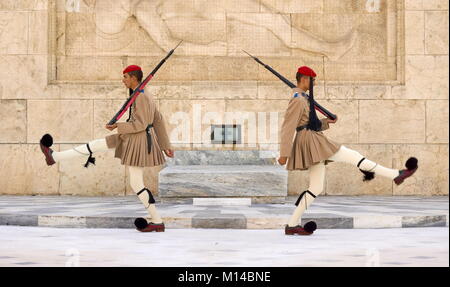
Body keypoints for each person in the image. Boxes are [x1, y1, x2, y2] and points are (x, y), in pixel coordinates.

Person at [279, 66, 418, 236]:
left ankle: (292, 225)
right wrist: (284, 154)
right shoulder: (298, 99)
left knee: (315, 187)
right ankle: (395, 174)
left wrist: (326, 122)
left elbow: (308, 122)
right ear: (304, 79)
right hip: (312, 142)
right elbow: (288, 127)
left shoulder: (302, 98)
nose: (314, 83)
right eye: (312, 80)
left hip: (312, 140)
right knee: (353, 156)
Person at [39, 65, 174, 232]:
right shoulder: (140, 94)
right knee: (97, 145)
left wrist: (118, 125)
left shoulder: (142, 96)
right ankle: (55, 157)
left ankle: (157, 221)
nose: (123, 80)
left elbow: (142, 124)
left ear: (133, 77)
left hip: (137, 141)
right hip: (131, 137)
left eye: (125, 77)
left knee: (136, 183)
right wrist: (166, 146)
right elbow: (158, 120)